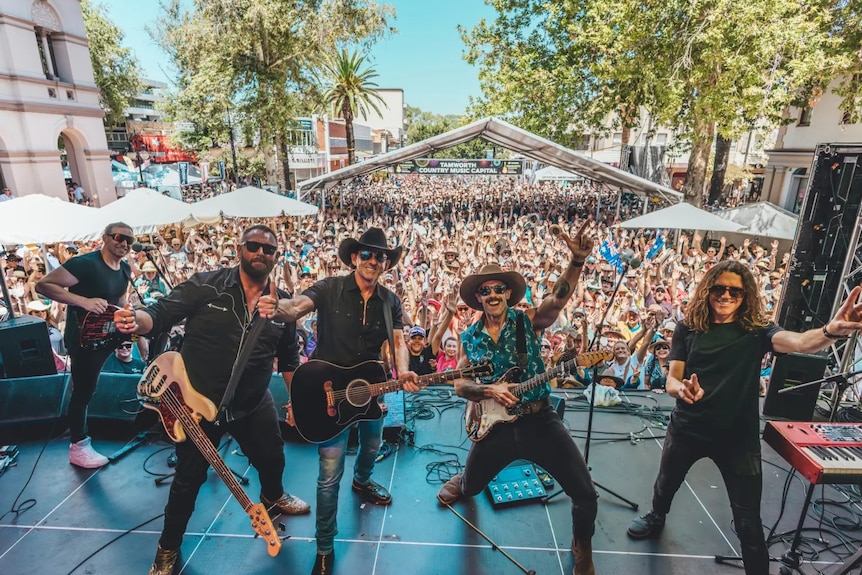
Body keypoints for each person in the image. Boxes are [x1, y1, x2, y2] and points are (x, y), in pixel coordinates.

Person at [625, 260, 862, 575]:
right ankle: (657, 516)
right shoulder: (688, 327)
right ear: (708, 290)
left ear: (745, 294)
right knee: (665, 485)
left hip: (738, 439)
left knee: (749, 522)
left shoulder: (757, 330)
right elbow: (673, 377)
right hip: (688, 428)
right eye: (719, 288)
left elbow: (800, 342)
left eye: (734, 290)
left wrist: (831, 331)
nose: (725, 295)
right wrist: (680, 389)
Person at [113, 224, 310, 575]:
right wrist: (135, 321)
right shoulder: (206, 285)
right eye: (254, 246)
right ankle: (167, 549)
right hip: (196, 405)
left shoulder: (281, 307)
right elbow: (157, 315)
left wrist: (294, 402)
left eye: (268, 250)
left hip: (252, 403)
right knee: (187, 482)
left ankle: (274, 495)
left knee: (273, 457)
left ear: (276, 257)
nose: (261, 253)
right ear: (239, 249)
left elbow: (290, 361)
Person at [436, 220, 599, 575]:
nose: (492, 294)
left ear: (508, 293)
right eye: (485, 290)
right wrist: (489, 390)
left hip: (540, 420)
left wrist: (576, 262)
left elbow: (558, 299)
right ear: (478, 298)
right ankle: (462, 480)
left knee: (585, 493)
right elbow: (461, 386)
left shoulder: (527, 321)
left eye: (498, 289)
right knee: (472, 485)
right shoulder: (470, 337)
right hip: (495, 426)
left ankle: (582, 546)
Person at [258, 227, 420, 575]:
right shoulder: (330, 288)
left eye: (380, 256)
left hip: (371, 389)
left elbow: (399, 342)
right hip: (329, 394)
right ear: (353, 258)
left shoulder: (390, 301)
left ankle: (363, 480)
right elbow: (296, 306)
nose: (373, 261)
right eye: (367, 254)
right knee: (329, 475)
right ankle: (325, 547)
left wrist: (403, 371)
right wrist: (278, 308)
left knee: (373, 444)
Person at [35, 222, 134, 468]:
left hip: (108, 334)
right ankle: (78, 445)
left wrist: (126, 324)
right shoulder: (86, 264)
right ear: (105, 238)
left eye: (129, 240)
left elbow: (120, 300)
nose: (124, 243)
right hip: (84, 338)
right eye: (119, 237)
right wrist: (83, 301)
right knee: (84, 390)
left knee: (91, 387)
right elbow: (44, 285)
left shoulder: (125, 269)